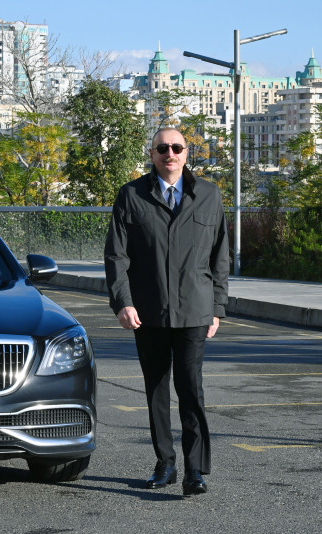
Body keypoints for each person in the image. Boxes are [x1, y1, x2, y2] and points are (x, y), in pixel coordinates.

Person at [104, 127, 229, 496]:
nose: (169, 154)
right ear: (152, 153)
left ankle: (195, 470)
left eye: (176, 148)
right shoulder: (131, 196)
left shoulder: (208, 195)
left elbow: (221, 257)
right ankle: (166, 464)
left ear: (187, 153)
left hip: (195, 310)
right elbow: (116, 255)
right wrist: (123, 301)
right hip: (149, 310)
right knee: (156, 389)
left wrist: (217, 307)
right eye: (162, 148)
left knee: (191, 389)